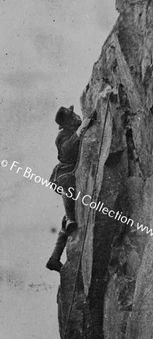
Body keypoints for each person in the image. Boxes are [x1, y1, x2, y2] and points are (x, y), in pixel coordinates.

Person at [46, 105, 93, 272]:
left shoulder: (75, 126)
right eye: (72, 117)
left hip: (72, 170)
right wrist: (80, 130)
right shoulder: (62, 137)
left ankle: (54, 258)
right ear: (66, 124)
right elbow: (67, 150)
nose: (76, 117)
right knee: (68, 185)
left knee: (65, 224)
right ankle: (72, 218)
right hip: (64, 172)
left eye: (74, 115)